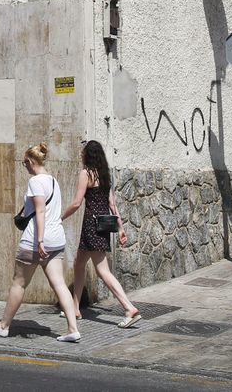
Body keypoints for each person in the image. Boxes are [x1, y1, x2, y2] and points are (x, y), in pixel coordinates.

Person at [0, 143, 81, 343]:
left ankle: (3, 325)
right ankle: (73, 329)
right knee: (60, 284)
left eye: (24, 163)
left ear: (31, 161)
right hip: (57, 239)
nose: (24, 167)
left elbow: (40, 211)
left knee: (19, 283)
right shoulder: (54, 181)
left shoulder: (36, 182)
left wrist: (39, 240)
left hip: (37, 241)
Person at [61, 139, 141, 328]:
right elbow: (113, 205)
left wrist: (60, 217)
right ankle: (75, 307)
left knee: (102, 271)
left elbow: (76, 202)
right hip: (103, 226)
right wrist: (120, 228)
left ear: (87, 155)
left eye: (82, 153)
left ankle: (129, 308)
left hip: (91, 226)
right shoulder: (105, 176)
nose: (81, 155)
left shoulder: (85, 174)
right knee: (79, 264)